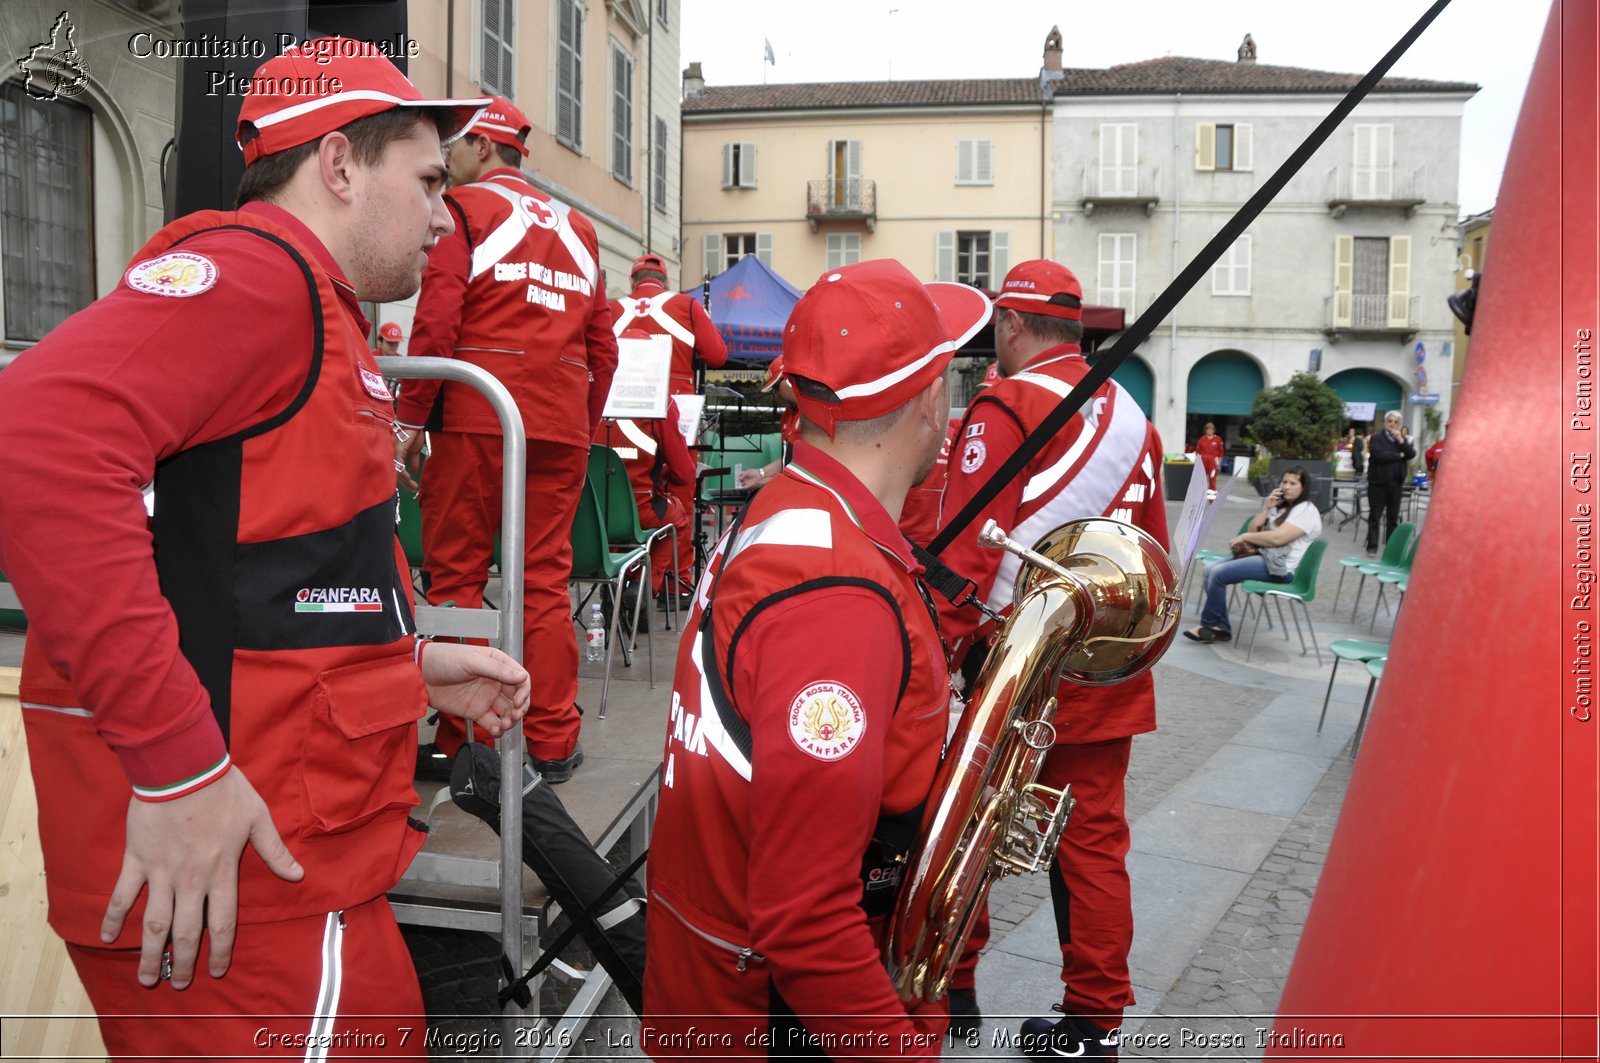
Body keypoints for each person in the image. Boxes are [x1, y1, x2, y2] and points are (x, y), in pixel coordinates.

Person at [0, 39, 532, 1059]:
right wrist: (178, 772)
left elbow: (243, 564)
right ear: (337, 165)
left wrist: (411, 665)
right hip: (239, 886)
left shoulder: (299, 306)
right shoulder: (262, 281)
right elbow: (37, 440)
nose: (441, 215)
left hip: (269, 876)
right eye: (426, 181)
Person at [642, 259, 990, 1059]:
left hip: (725, 987)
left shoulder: (796, 506)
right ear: (934, 398)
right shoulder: (837, 587)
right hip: (772, 1020)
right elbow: (804, 916)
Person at [934, 260, 1168, 1057]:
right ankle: (1095, 1018)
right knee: (1096, 842)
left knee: (969, 815)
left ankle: (954, 985)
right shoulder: (1137, 417)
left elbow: (970, 543)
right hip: (1107, 658)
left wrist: (934, 642)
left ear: (1010, 324)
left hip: (1019, 654)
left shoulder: (1007, 401)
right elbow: (1155, 556)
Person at [395, 95, 617, 783]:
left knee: (457, 576)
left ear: (484, 149)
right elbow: (604, 346)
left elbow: (436, 320)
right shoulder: (580, 229)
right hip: (558, 420)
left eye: (455, 147)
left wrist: (407, 420)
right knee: (545, 581)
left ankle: (470, 743)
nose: (447, 159)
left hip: (477, 415)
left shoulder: (466, 211)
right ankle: (552, 739)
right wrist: (579, 418)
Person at [611, 252, 729, 600]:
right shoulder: (686, 305)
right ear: (665, 283)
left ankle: (623, 569)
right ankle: (674, 580)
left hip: (613, 405)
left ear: (633, 282)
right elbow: (717, 355)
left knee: (619, 486)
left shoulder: (614, 308)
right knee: (679, 487)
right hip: (674, 411)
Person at [592, 360, 696, 604]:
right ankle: (642, 585)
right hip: (639, 511)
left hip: (589, 514)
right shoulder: (661, 403)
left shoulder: (592, 395)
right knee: (677, 518)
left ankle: (612, 582)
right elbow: (684, 473)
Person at [1183, 466, 1323, 643]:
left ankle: (1209, 625)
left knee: (1218, 574)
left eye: (1293, 483)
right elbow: (1253, 529)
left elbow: (1277, 539)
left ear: (1303, 488)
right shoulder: (1280, 507)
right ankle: (1221, 627)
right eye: (1284, 482)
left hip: (1282, 569)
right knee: (1209, 569)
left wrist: (1245, 536)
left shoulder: (1306, 510)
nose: (1286, 486)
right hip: (1265, 558)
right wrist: (1266, 508)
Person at [1365, 409, 1416, 556]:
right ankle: (1372, 547)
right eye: (1390, 421)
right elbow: (1379, 455)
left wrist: (1400, 440)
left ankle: (1390, 549)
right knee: (1375, 517)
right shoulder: (1376, 438)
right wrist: (1399, 455)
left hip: (1396, 484)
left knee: (1393, 519)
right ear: (1385, 423)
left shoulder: (1401, 440)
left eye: (1396, 422)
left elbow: (1411, 454)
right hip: (1378, 484)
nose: (1392, 424)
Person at [1193, 421, 1226, 500]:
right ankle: (1200, 496)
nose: (1209, 431)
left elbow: (1221, 452)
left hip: (1213, 462)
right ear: (1205, 430)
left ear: (1213, 430)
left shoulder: (1218, 439)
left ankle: (1212, 497)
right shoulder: (1201, 440)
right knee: (1202, 478)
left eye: (1211, 429)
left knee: (1212, 478)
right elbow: (1198, 452)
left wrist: (1219, 461)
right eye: (1208, 429)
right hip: (1203, 461)